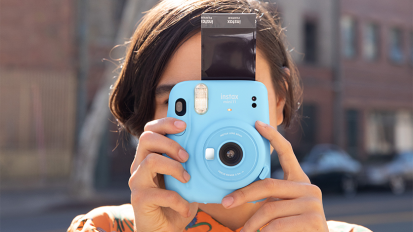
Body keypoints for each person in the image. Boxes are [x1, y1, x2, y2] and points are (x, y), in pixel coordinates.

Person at [68, 0, 372, 231]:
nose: (216, 127)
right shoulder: (102, 227)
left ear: (279, 100)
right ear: (147, 113)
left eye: (237, 99)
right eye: (182, 102)